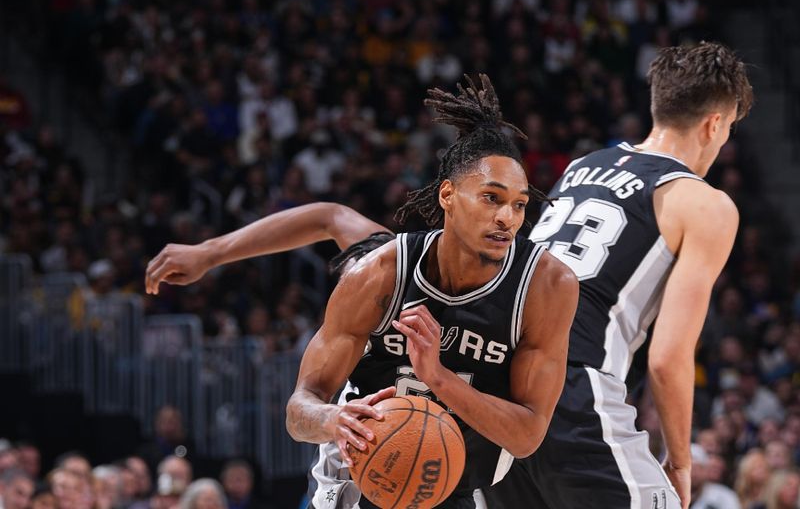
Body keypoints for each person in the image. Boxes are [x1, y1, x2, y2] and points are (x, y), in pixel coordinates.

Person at [148, 75, 580, 508]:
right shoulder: (382, 273)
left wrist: (438, 379)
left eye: (520, 204)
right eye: (491, 198)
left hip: (461, 479)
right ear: (448, 195)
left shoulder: (546, 286)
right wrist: (331, 418)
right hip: (362, 471)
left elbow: (526, 436)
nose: (507, 217)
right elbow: (300, 411)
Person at [481, 41, 752, 509]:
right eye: (728, 129)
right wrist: (680, 461)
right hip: (571, 386)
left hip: (493, 379)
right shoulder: (704, 203)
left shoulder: (583, 166)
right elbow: (668, 358)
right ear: (714, 124)